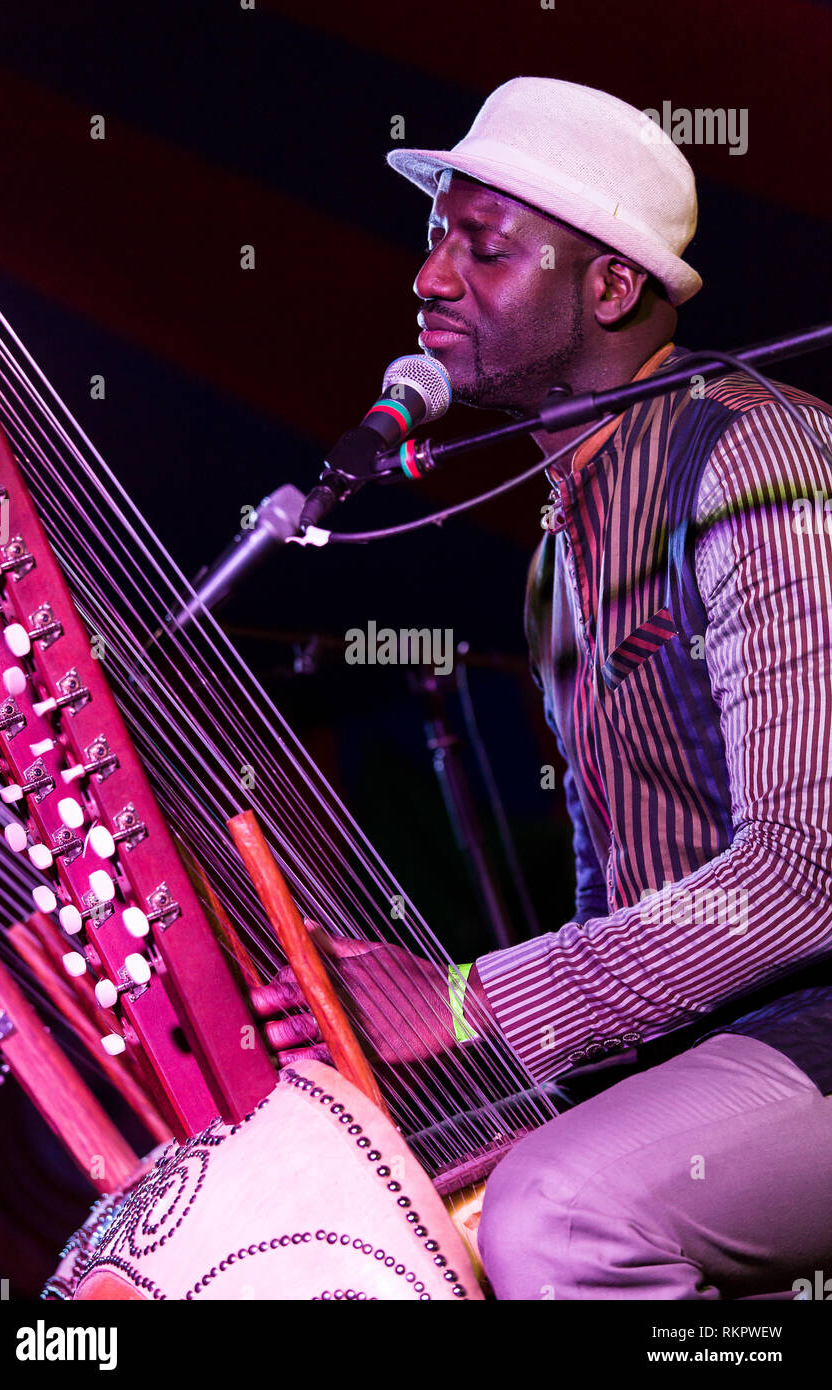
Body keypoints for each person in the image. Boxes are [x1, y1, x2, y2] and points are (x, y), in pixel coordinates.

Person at [252, 77, 832, 1300]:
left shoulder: (754, 453)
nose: (430, 279)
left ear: (611, 288)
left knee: (560, 1217)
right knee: (369, 1229)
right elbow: (618, 890)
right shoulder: (555, 559)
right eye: (433, 239)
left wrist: (467, 1003)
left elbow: (799, 874)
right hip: (728, 1054)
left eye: (485, 247)